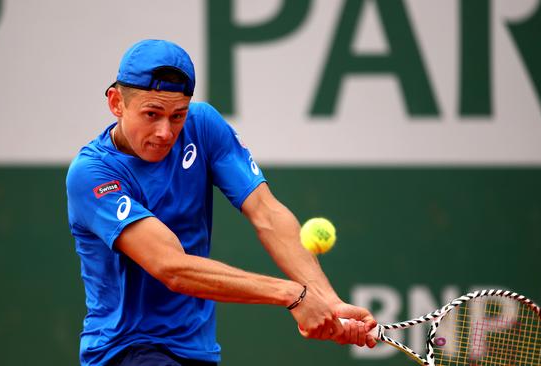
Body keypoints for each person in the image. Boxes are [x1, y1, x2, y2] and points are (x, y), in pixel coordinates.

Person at [66, 39, 377, 366]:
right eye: (151, 114)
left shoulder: (203, 126)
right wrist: (293, 295)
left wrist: (326, 301)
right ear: (116, 103)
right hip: (127, 351)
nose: (164, 132)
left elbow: (266, 213)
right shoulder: (92, 175)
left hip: (196, 351)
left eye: (177, 116)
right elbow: (171, 267)